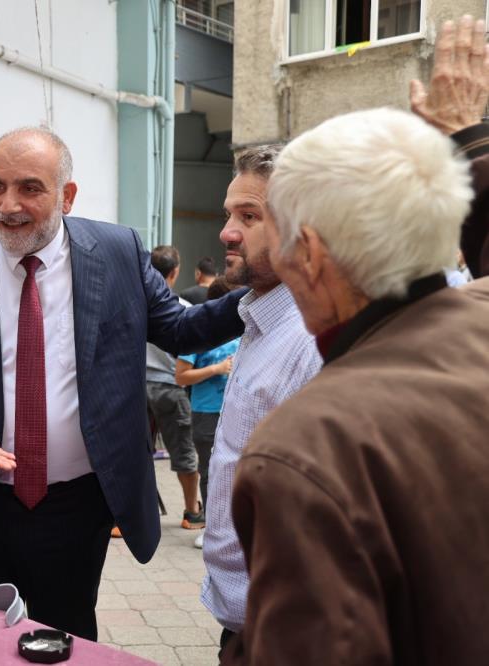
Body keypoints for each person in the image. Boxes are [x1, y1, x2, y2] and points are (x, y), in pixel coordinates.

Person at [0, 126, 246, 640]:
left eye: (29, 188)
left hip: (78, 506)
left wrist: (266, 290)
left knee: (68, 638)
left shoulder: (117, 251)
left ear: (67, 196)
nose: (7, 205)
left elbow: (178, 328)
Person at [222, 17, 489, 664]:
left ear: (309, 253)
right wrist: (466, 141)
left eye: (271, 226)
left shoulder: (305, 448)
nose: (251, 244)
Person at [200, 144, 323, 655]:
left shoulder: (312, 342)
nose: (228, 232)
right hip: (248, 629)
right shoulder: (260, 320)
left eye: (249, 216)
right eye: (229, 214)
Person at [175, 276, 239, 549]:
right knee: (210, 470)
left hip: (235, 409)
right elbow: (181, 377)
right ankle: (212, 527)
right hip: (206, 413)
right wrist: (215, 369)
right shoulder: (200, 333)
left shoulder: (245, 330)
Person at [143, 245, 203, 532]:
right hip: (170, 388)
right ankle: (192, 512)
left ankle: (121, 519)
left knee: (131, 453)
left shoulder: (134, 304)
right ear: (175, 272)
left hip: (136, 389)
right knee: (183, 451)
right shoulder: (183, 308)